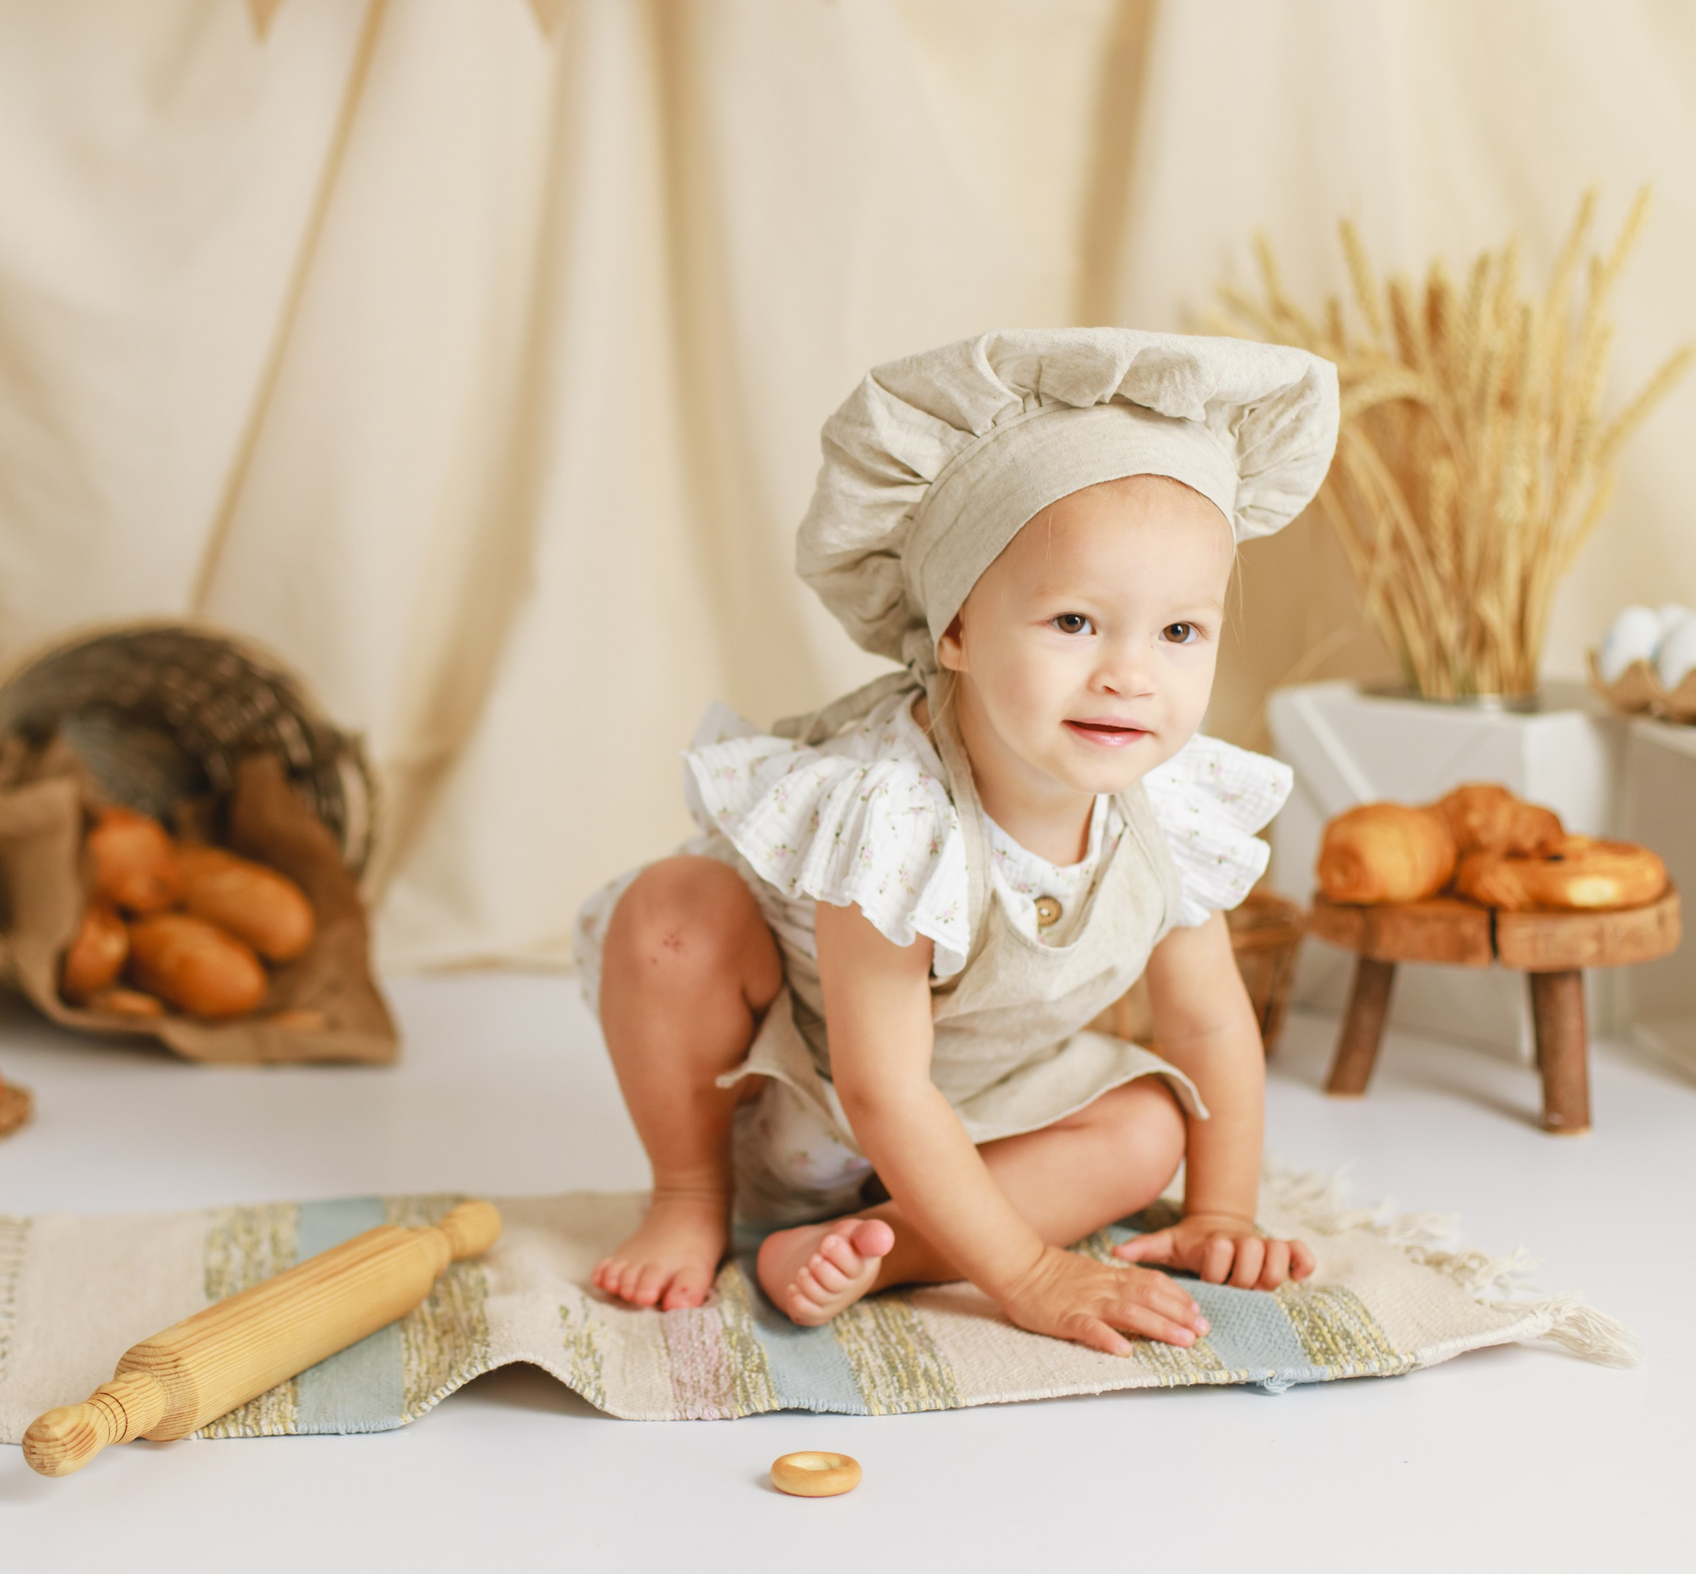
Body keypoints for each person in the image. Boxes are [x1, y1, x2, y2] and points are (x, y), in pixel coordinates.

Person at [571, 327, 1339, 1356]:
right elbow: (880, 1086)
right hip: (801, 1100)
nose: (1129, 674)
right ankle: (689, 1196)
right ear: (957, 632)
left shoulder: (1170, 802)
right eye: (1073, 622)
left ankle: (872, 1251)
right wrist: (1030, 1275)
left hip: (988, 1121)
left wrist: (1223, 1213)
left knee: (1150, 1125)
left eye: (1178, 632)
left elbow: (1205, 1028)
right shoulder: (893, 807)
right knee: (671, 914)